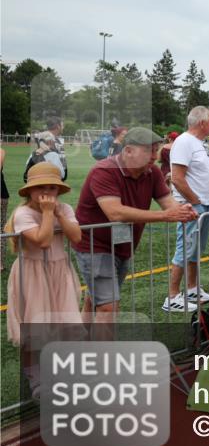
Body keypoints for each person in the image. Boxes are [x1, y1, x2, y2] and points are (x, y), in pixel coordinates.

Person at [73, 128, 197, 322]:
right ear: (128, 151)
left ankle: (80, 337)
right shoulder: (104, 171)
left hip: (123, 245)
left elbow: (167, 200)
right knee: (108, 307)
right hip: (94, 245)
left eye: (156, 151)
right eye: (148, 151)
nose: (154, 157)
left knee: (96, 297)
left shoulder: (152, 172)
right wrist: (166, 215)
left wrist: (183, 211)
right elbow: (115, 212)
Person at [4, 163, 83, 398]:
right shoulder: (23, 213)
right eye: (41, 188)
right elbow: (43, 240)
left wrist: (58, 213)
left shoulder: (65, 209)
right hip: (33, 274)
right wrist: (48, 213)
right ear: (29, 190)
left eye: (53, 188)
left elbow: (76, 237)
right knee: (33, 327)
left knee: (63, 323)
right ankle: (34, 376)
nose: (47, 193)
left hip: (59, 272)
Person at [166, 106, 209, 312]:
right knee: (185, 247)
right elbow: (177, 178)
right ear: (202, 123)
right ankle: (172, 295)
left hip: (203, 204)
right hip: (193, 204)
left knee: (196, 249)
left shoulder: (197, 143)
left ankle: (191, 288)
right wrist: (195, 201)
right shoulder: (184, 141)